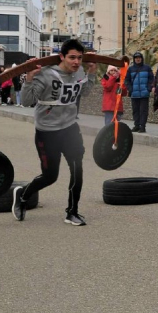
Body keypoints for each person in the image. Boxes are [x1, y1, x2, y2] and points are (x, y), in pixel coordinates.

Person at [12, 39, 98, 226]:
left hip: (70, 129)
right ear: (62, 57)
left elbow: (84, 93)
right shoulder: (46, 74)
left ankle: (72, 212)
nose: (76, 62)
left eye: (79, 58)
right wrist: (28, 78)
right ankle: (22, 195)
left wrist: (91, 73)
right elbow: (27, 102)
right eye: (72, 58)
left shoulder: (79, 72)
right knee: (50, 176)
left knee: (77, 170)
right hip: (47, 131)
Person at [124, 51, 155, 133]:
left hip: (144, 94)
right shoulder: (130, 69)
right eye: (136, 58)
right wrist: (130, 89)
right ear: (134, 59)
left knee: (143, 111)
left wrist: (148, 88)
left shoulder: (147, 68)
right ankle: (136, 125)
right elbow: (126, 80)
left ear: (142, 59)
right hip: (134, 94)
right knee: (135, 111)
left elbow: (152, 79)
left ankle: (143, 126)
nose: (138, 59)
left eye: (139, 58)